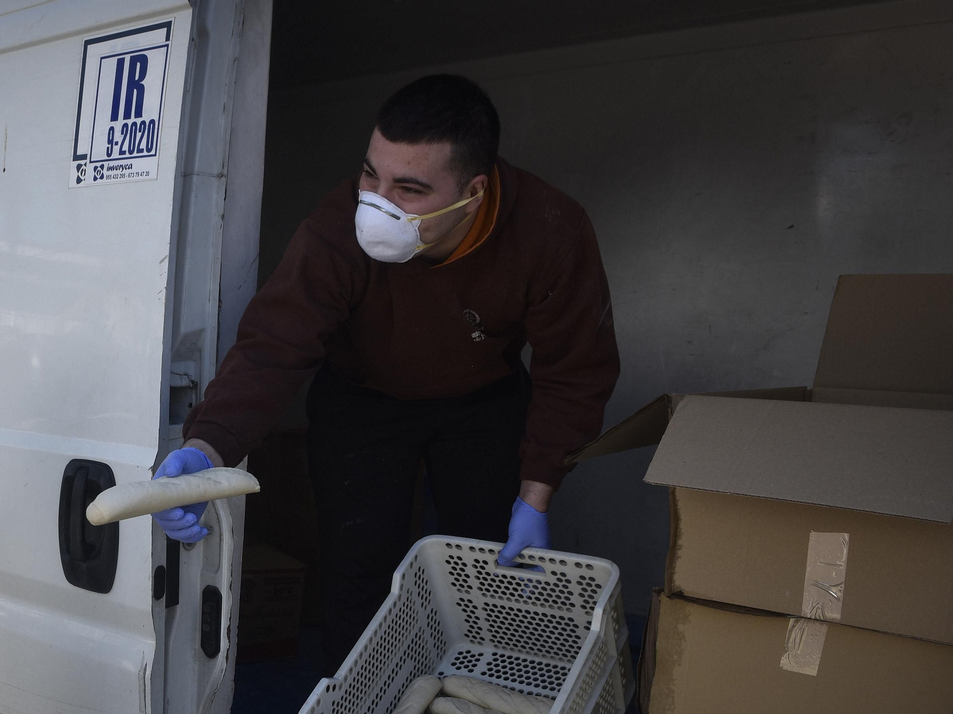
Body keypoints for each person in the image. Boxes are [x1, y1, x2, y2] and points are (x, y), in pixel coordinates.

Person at [155, 75, 620, 670]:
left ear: (473, 192)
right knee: (357, 561)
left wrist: (537, 495)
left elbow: (575, 372)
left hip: (483, 400)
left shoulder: (550, 230)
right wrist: (207, 445)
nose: (376, 202)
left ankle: (473, 694)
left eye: (410, 188)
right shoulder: (334, 230)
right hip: (362, 399)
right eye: (371, 175)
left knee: (483, 558)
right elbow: (276, 344)